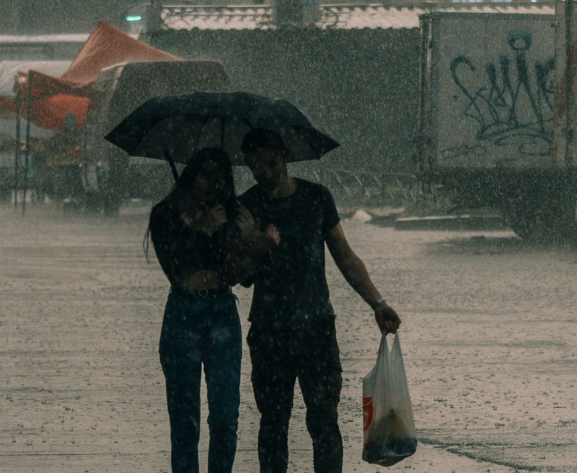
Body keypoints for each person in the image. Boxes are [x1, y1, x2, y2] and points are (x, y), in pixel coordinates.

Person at [237, 128, 402, 473]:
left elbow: (344, 256)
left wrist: (378, 302)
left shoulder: (316, 198)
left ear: (285, 154)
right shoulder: (248, 205)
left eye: (269, 163)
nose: (264, 173)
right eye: (255, 167)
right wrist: (257, 243)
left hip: (316, 329)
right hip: (269, 331)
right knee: (273, 424)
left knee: (324, 421)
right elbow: (243, 276)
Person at [148, 147, 278, 473]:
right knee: (184, 420)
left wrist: (253, 244)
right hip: (182, 312)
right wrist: (200, 227)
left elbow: (242, 277)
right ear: (192, 174)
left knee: (225, 417)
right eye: (205, 173)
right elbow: (174, 267)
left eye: (219, 176)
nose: (212, 182)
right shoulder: (165, 214)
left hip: (222, 310)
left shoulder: (229, 214)